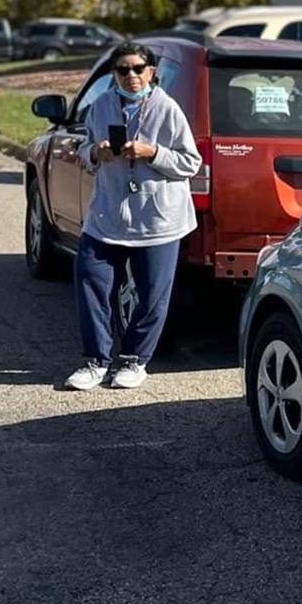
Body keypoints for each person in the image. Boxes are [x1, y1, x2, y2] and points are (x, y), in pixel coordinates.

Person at [65, 40, 202, 392]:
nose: (131, 77)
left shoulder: (168, 110)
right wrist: (94, 152)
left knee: (151, 294)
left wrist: (152, 152)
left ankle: (134, 360)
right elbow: (84, 150)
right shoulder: (101, 107)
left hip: (157, 220)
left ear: (151, 72)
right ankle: (96, 361)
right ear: (114, 75)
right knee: (91, 281)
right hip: (108, 215)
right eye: (123, 70)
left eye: (138, 69)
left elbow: (190, 163)